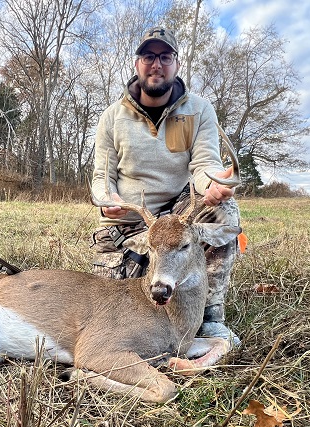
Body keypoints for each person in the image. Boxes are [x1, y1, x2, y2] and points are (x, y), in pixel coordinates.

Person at [90, 26, 241, 346]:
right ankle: (146, 265)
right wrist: (107, 198)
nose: (156, 63)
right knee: (109, 309)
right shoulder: (111, 117)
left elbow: (204, 164)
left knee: (223, 211)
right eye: (148, 56)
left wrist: (213, 184)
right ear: (137, 63)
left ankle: (210, 316)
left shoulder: (198, 111)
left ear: (176, 63)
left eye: (165, 56)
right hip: (130, 222)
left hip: (177, 217)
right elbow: (102, 175)